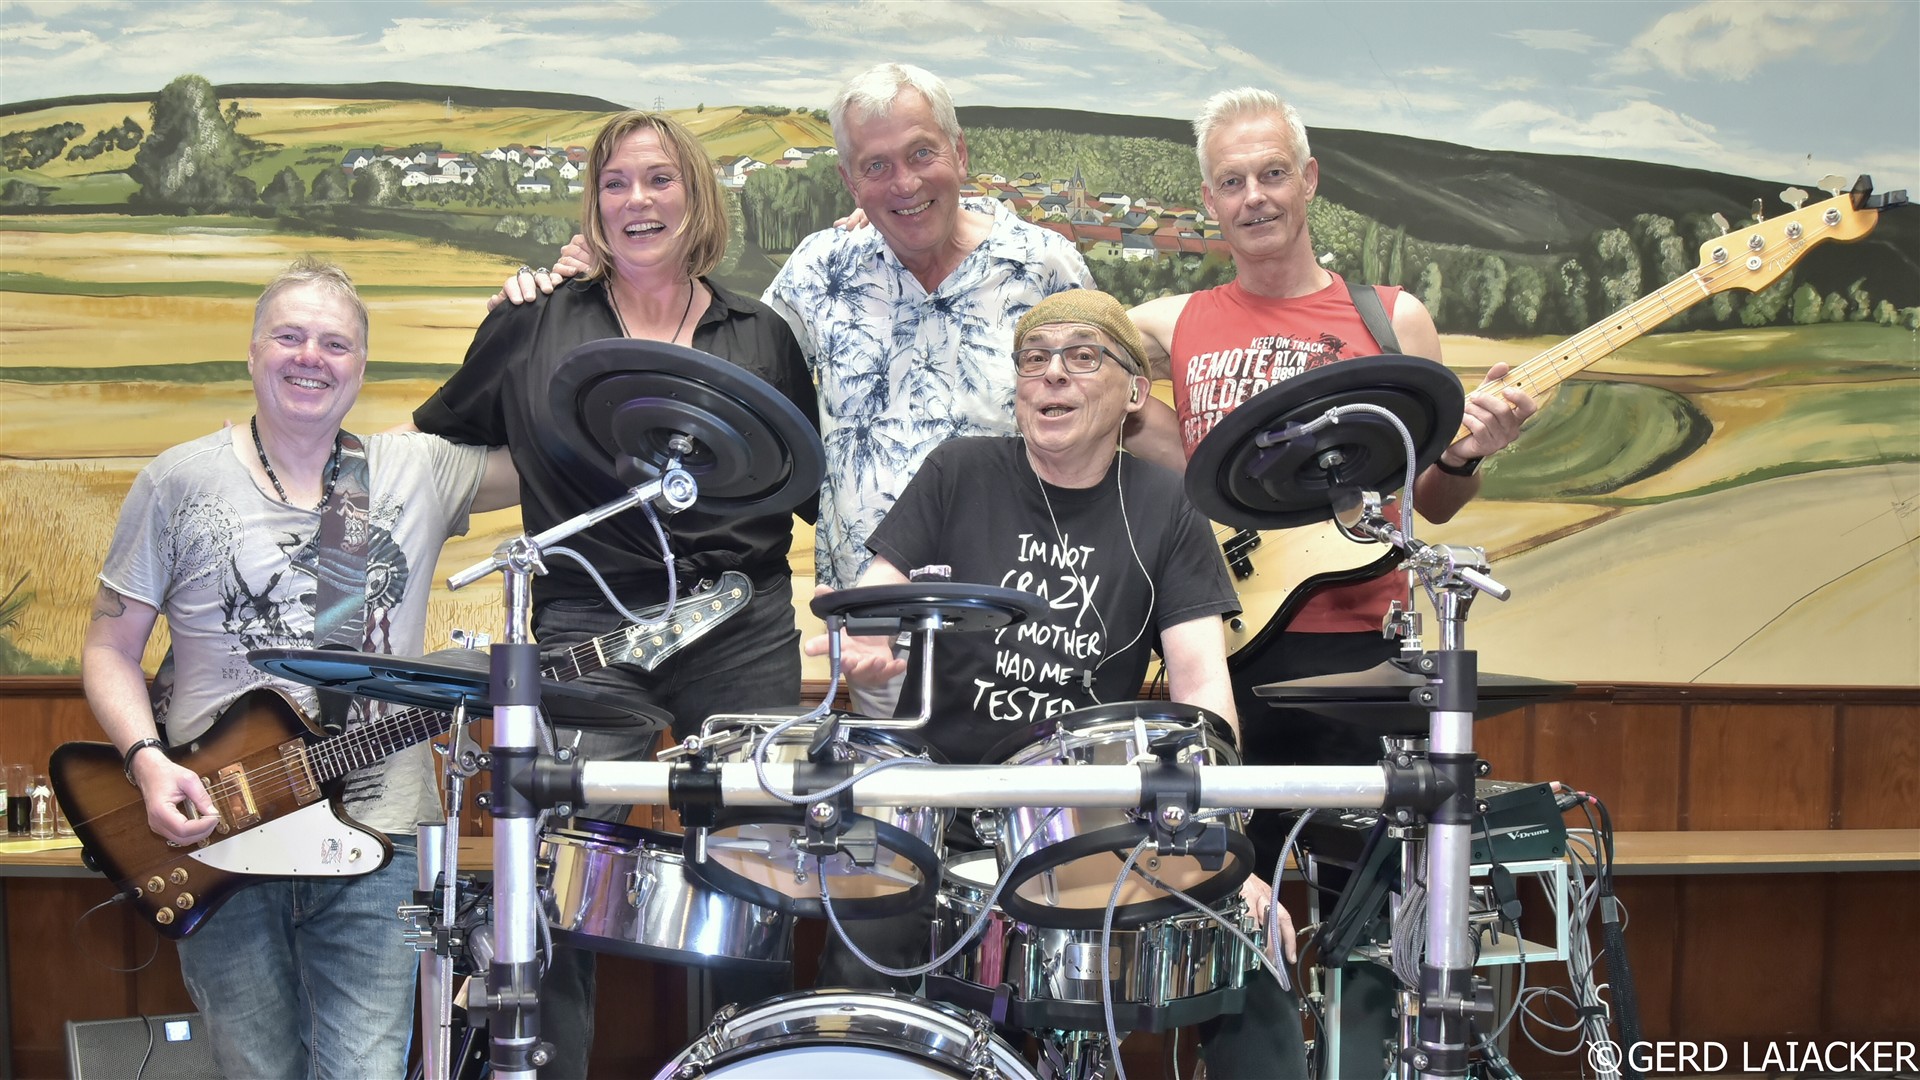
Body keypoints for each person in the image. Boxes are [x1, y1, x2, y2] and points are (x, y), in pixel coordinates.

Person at [409, 109, 819, 1079]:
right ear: (593, 207)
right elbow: (445, 443)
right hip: (587, 624)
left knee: (758, 864)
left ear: (696, 197)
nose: (638, 200)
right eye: (615, 183)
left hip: (739, 620)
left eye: (659, 179)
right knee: (555, 867)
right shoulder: (532, 323)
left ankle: (746, 1064)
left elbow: (805, 485)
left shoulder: (761, 334)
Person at [808, 289, 1308, 1079]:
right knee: (859, 950)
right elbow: (876, 598)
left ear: (1134, 392)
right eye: (1034, 359)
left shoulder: (1167, 505)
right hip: (941, 810)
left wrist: (1223, 844)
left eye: (1081, 357)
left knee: (1250, 952)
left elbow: (1201, 683)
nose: (1052, 375)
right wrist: (862, 642)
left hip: (1093, 820)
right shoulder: (959, 471)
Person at [493, 63, 1094, 716]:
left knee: (1037, 781)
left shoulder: (1043, 266)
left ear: (960, 152)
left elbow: (1102, 414)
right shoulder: (821, 269)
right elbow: (734, 372)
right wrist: (597, 273)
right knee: (893, 782)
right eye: (876, 166)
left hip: (1022, 607)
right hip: (875, 628)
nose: (904, 183)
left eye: (922, 154)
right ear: (850, 180)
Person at [81, 257, 514, 1078]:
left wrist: (540, 310)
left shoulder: (416, 470)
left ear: (361, 366)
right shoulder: (178, 480)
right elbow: (109, 648)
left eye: (335, 343)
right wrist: (146, 761)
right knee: (254, 1069)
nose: (311, 357)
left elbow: (560, 453)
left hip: (377, 838)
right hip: (220, 834)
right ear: (252, 352)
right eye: (289, 337)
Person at [1124, 88, 1539, 871]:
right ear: (1210, 200)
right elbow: (1065, 342)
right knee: (1218, 887)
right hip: (1217, 647)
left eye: (1273, 173)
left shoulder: (1392, 320)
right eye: (1233, 181)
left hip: (1360, 658)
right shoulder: (1171, 323)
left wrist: (1468, 454)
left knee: (1364, 902)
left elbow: (1432, 502)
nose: (1255, 197)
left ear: (1309, 179)